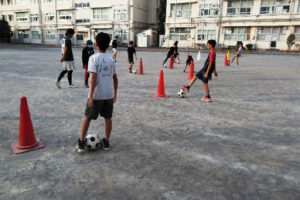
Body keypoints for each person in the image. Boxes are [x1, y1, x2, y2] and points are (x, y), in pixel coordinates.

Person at [76, 32, 118, 153]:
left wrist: (90, 97)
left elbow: (93, 78)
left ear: (96, 44)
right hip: (108, 95)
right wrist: (115, 94)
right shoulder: (111, 59)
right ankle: (106, 142)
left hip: (97, 96)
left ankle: (81, 142)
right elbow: (115, 78)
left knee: (88, 118)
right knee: (108, 118)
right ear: (108, 45)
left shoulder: (93, 58)